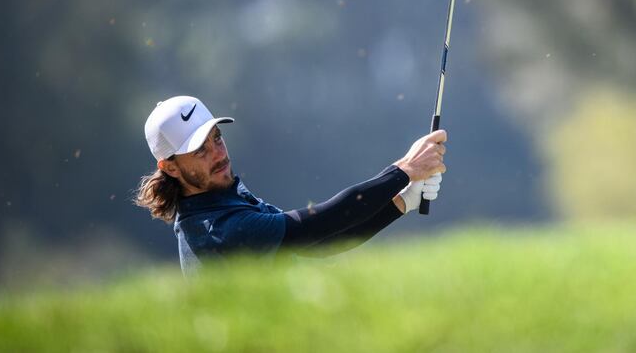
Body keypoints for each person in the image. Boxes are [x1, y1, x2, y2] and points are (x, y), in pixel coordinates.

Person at [134, 95, 447, 275]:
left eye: (217, 139)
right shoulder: (219, 229)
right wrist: (404, 170)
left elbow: (318, 244)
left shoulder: (221, 198)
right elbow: (318, 224)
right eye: (200, 150)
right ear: (170, 167)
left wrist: (403, 201)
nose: (218, 154)